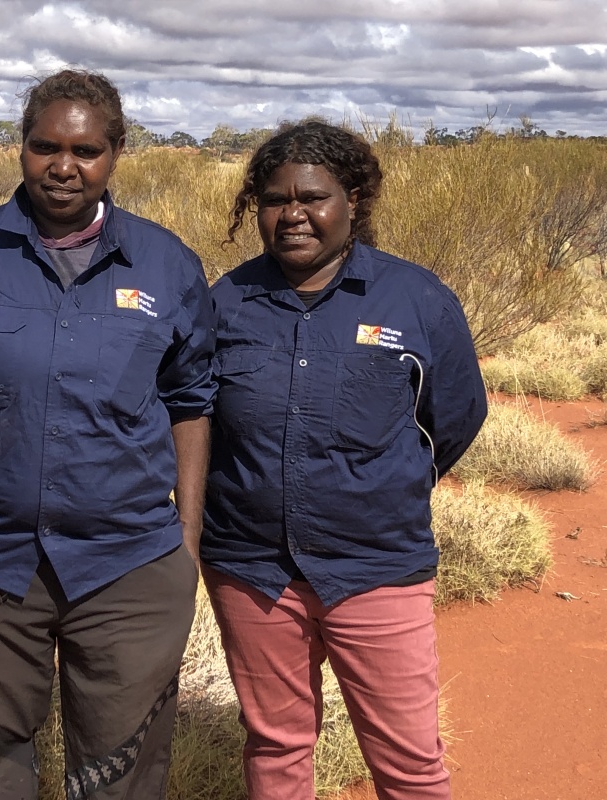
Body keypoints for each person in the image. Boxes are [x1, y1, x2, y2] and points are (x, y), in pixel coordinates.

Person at [0, 69, 214, 800]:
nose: (63, 166)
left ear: (115, 154)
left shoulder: (167, 265)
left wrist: (186, 540)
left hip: (128, 565)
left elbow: (193, 402)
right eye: (44, 146)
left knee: (122, 774)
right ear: (21, 147)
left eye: (86, 150)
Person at [200, 120, 487, 800]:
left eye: (312, 197)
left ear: (353, 201)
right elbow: (198, 420)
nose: (292, 214)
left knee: (410, 763)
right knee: (275, 747)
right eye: (274, 199)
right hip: (253, 570)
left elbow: (456, 418)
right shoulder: (226, 302)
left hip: (377, 567)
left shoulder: (415, 300)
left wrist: (379, 487)